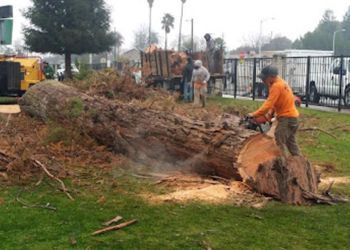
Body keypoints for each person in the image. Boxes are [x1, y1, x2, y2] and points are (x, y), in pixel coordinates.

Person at [248, 65, 301, 156]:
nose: (263, 80)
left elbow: (268, 104)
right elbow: (274, 103)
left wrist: (254, 114)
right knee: (291, 143)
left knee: (278, 142)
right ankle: (300, 164)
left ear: (271, 76)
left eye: (264, 78)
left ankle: (282, 166)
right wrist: (268, 114)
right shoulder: (281, 82)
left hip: (287, 118)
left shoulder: (276, 86)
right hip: (293, 117)